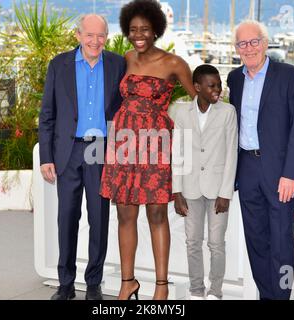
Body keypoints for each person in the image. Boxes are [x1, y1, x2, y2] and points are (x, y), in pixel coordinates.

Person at [100, 0, 196, 300]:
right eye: (132, 30)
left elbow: (198, 103)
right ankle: (127, 282)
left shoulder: (175, 63)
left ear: (156, 30)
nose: (138, 34)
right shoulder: (124, 58)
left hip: (156, 147)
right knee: (125, 215)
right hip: (125, 145)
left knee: (157, 215)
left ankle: (161, 287)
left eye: (144, 29)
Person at [39, 14, 126, 300]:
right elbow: (47, 115)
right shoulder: (58, 65)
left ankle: (93, 284)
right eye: (89, 35)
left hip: (101, 150)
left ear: (107, 36)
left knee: (99, 220)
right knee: (67, 218)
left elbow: (124, 109)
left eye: (100, 35)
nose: (95, 41)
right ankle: (65, 283)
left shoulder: (117, 64)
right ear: (78, 35)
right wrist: (46, 157)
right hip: (68, 151)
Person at [227, 20, 294, 300]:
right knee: (256, 240)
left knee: (282, 241)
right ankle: (266, 294)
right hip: (247, 169)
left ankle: (281, 296)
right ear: (236, 48)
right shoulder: (234, 79)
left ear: (265, 42)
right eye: (242, 44)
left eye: (254, 42)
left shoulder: (289, 75)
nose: (249, 48)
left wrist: (291, 174)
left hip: (279, 172)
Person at [173, 65, 238, 300]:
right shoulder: (181, 113)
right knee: (192, 242)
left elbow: (232, 153)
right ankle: (197, 291)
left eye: (219, 85)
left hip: (218, 188)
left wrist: (225, 192)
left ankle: (215, 292)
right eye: (212, 85)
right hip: (189, 188)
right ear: (197, 87)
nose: (217, 89)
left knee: (216, 243)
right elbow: (177, 152)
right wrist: (177, 191)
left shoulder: (228, 112)